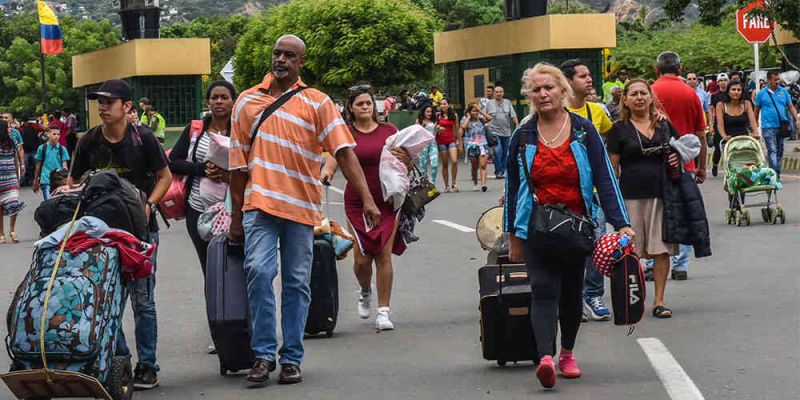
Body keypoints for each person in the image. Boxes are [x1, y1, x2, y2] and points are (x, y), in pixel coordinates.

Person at [227, 35, 379, 386]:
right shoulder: (246, 102)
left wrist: (367, 199)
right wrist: (236, 217)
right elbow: (237, 166)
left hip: (301, 208)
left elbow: (343, 152)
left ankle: (291, 357)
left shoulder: (317, 102)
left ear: (301, 64)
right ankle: (264, 354)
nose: (280, 59)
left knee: (296, 282)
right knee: (259, 273)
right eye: (277, 53)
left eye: (289, 56)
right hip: (259, 205)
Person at [504, 63, 633, 389]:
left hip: (577, 227)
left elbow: (605, 177)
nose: (543, 94)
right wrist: (513, 237)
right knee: (544, 289)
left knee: (572, 294)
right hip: (536, 227)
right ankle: (545, 357)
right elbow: (512, 186)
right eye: (536, 89)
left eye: (549, 88)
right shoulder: (523, 134)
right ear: (529, 96)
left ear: (562, 90)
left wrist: (622, 224)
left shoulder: (583, 130)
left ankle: (567, 353)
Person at [69, 79, 172, 390]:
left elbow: (165, 177)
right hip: (101, 237)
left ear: (127, 107)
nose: (102, 107)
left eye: (109, 102)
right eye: (99, 102)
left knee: (143, 301)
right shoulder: (88, 141)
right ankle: (121, 361)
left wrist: (149, 205)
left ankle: (148, 367)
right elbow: (74, 180)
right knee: (106, 300)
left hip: (141, 234)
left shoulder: (145, 139)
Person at [321, 85, 410, 331]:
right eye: (359, 104)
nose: (365, 107)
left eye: (368, 103)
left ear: (375, 106)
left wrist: (407, 159)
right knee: (361, 260)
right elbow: (333, 160)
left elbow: (405, 160)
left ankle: (383, 312)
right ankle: (365, 289)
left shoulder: (389, 131)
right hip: (357, 201)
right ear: (350, 107)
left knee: (383, 253)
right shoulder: (345, 134)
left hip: (387, 199)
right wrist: (326, 173)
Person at [607, 79, 682, 319]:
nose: (639, 98)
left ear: (651, 97)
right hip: (630, 197)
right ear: (625, 100)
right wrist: (613, 203)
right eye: (634, 94)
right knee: (631, 252)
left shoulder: (664, 125)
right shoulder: (619, 129)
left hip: (662, 195)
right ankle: (633, 299)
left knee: (662, 249)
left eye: (643, 93)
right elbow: (612, 169)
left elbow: (681, 150)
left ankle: (659, 301)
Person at [559, 59, 614, 322]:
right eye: (583, 76)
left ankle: (593, 294)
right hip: (564, 191)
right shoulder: (556, 112)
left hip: (593, 191)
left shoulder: (598, 112)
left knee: (598, 241)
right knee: (568, 245)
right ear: (569, 82)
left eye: (589, 75)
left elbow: (615, 137)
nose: (589, 79)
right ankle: (571, 296)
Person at [168, 80, 236, 275]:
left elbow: (251, 168)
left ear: (233, 102)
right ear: (208, 101)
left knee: (232, 266)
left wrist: (226, 175)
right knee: (209, 267)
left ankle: (233, 305)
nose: (219, 101)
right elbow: (173, 162)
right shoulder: (196, 130)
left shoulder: (241, 132)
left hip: (232, 211)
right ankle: (213, 305)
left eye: (224, 97)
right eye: (214, 97)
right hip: (198, 210)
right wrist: (202, 169)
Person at [650, 51, 707, 281]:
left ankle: (651, 261)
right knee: (682, 212)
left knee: (655, 213)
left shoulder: (649, 92)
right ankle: (680, 265)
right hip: (685, 162)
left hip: (653, 163)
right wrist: (702, 165)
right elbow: (700, 133)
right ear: (680, 69)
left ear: (657, 69)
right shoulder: (690, 93)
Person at [754, 70, 800, 180]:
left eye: (778, 79)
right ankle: (775, 173)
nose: (778, 81)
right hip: (768, 127)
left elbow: (791, 107)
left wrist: (797, 119)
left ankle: (775, 171)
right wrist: (754, 124)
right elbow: (756, 109)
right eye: (775, 80)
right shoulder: (761, 94)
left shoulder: (784, 92)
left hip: (782, 126)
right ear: (769, 80)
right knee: (772, 150)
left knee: (780, 151)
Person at [484, 85, 519, 179]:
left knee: (505, 153)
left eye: (500, 92)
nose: (499, 93)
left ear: (503, 93)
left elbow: (513, 115)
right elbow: (484, 116)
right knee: (497, 151)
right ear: (494, 93)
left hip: (506, 132)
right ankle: (498, 171)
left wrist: (517, 125)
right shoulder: (489, 104)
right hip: (494, 131)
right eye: (497, 92)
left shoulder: (507, 103)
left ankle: (503, 171)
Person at [0, 120, 25, 244]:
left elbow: (15, 158)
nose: (10, 129)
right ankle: (1, 234)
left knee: (14, 204)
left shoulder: (12, 142)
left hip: (11, 179)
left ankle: (12, 230)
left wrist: (17, 175)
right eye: (8, 128)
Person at [32, 124, 69, 200]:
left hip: (59, 180)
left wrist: (66, 181)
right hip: (46, 179)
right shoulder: (42, 148)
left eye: (58, 134)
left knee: (59, 202)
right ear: (48, 134)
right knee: (48, 201)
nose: (56, 136)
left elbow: (65, 167)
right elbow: (38, 166)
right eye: (54, 134)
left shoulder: (62, 149)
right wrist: (35, 180)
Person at [461, 103, 491, 192]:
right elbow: (463, 126)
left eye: (477, 111)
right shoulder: (465, 119)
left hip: (482, 143)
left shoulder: (481, 119)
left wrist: (480, 110)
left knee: (483, 165)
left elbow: (489, 118)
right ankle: (475, 182)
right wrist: (469, 117)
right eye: (474, 111)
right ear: (469, 112)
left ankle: (483, 184)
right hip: (471, 144)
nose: (476, 113)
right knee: (474, 166)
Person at [436, 98, 460, 192]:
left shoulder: (454, 115)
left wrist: (459, 141)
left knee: (454, 161)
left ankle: (454, 183)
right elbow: (434, 126)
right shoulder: (438, 116)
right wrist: (438, 127)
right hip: (441, 141)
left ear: (449, 105)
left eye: (445, 104)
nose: (443, 106)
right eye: (441, 104)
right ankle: (446, 186)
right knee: (445, 163)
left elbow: (456, 128)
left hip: (451, 140)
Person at [709, 73, 730, 177]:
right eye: (721, 81)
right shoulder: (714, 95)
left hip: (730, 123)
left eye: (725, 80)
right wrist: (711, 125)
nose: (723, 82)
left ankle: (730, 168)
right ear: (717, 83)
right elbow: (711, 110)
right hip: (718, 124)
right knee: (718, 148)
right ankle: (715, 164)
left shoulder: (732, 93)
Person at [19, 116, 44, 186]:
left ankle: (22, 181)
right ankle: (38, 180)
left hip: (25, 150)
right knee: (37, 166)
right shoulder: (34, 126)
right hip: (34, 149)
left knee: (24, 166)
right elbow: (42, 129)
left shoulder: (21, 128)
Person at [416, 105, 439, 183]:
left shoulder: (434, 121)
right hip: (423, 144)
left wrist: (438, 128)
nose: (429, 113)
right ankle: (425, 183)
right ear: (424, 112)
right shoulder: (419, 121)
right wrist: (422, 126)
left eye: (431, 112)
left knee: (435, 164)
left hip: (432, 143)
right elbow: (416, 133)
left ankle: (432, 182)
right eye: (427, 112)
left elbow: (435, 133)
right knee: (423, 166)